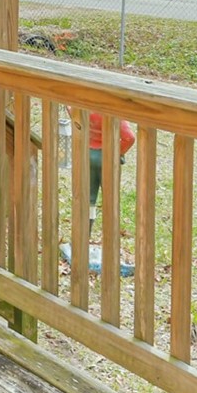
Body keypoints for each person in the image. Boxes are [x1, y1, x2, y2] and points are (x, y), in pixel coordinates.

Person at [64, 111, 135, 277]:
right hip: (107, 156)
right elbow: (129, 137)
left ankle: (82, 239)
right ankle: (110, 243)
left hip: (89, 154)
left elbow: (71, 108)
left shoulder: (86, 106)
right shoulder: (112, 112)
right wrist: (119, 152)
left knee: (89, 200)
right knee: (110, 201)